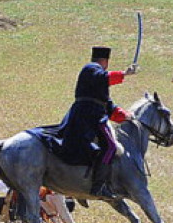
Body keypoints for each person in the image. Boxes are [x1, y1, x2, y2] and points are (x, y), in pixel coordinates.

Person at [56, 46, 137, 198]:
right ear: (105, 61)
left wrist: (126, 115)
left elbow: (107, 105)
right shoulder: (91, 69)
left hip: (92, 115)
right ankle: (98, 186)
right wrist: (124, 74)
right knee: (110, 147)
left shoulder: (97, 80)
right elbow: (103, 78)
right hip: (88, 117)